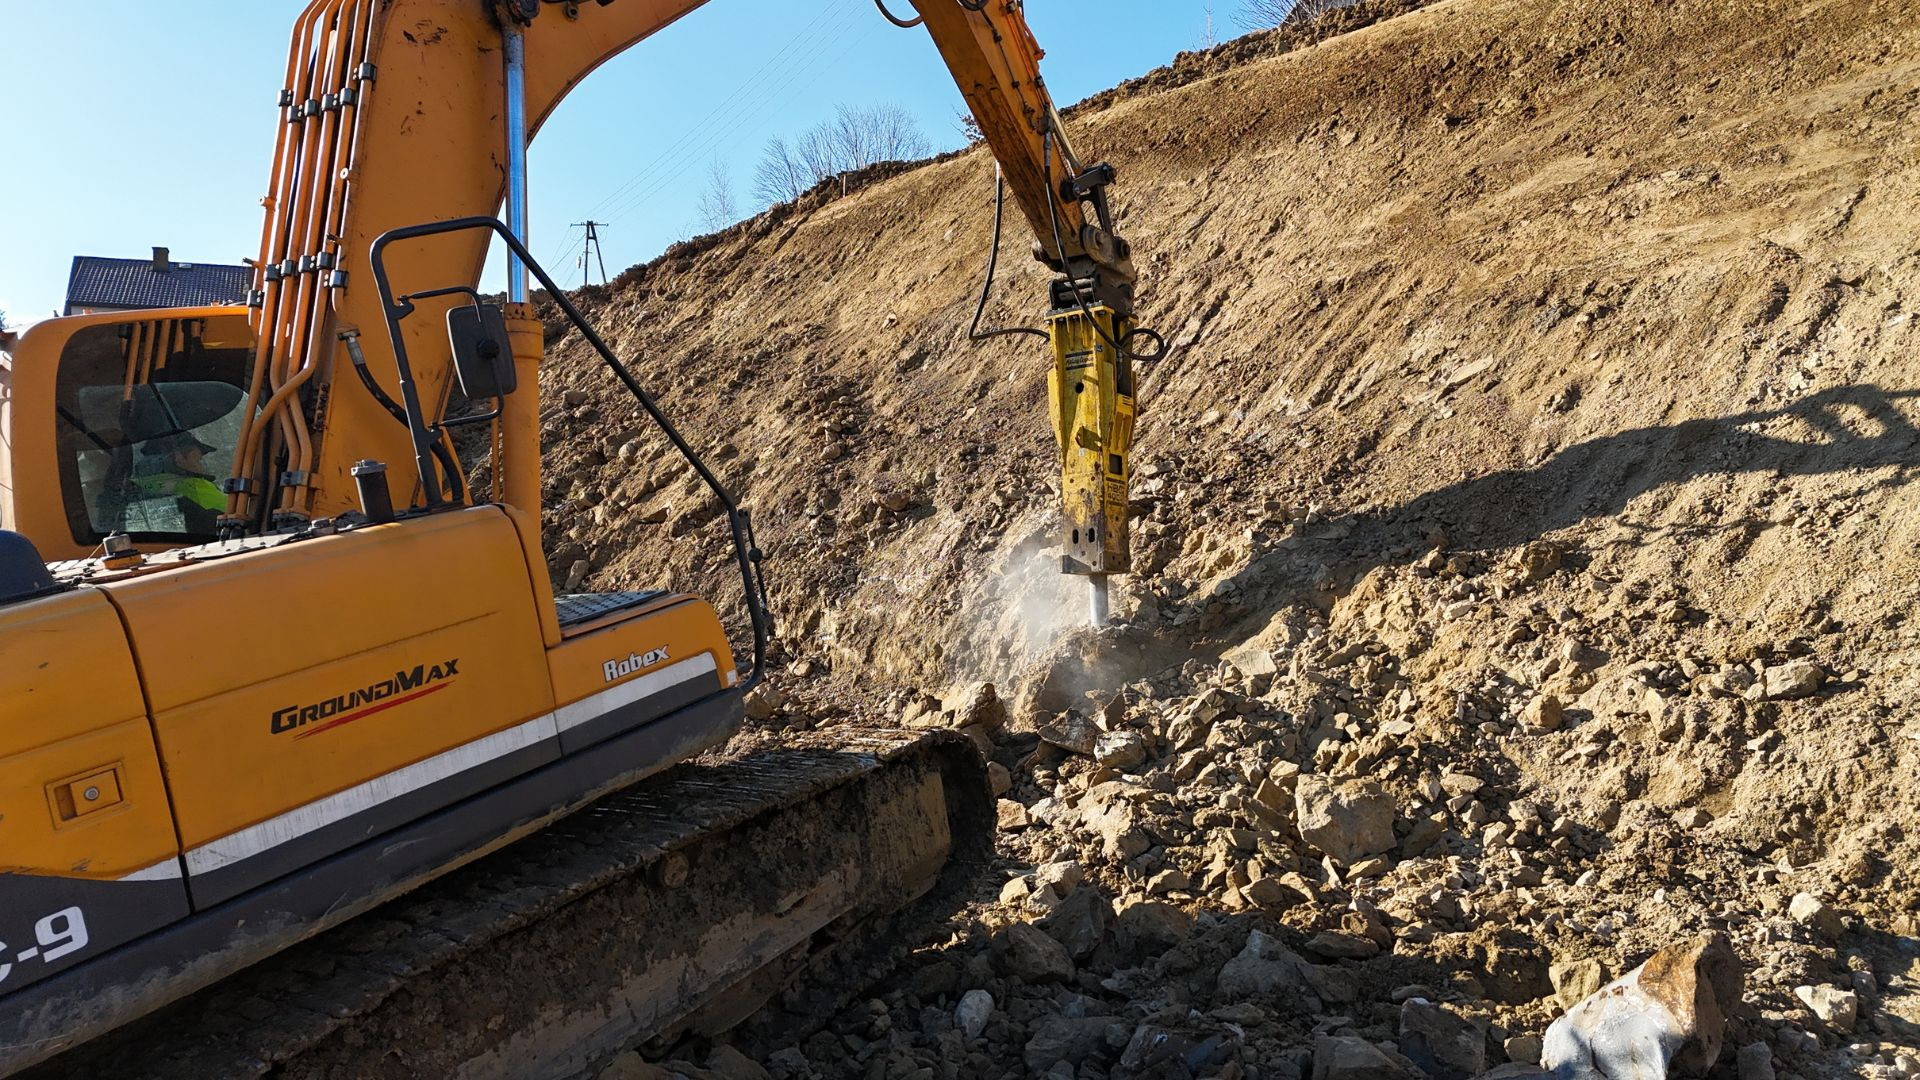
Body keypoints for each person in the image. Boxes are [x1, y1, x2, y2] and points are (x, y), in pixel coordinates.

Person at [135, 432, 225, 531]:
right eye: (198, 460)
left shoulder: (136, 489)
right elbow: (237, 509)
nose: (202, 468)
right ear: (179, 458)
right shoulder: (193, 487)